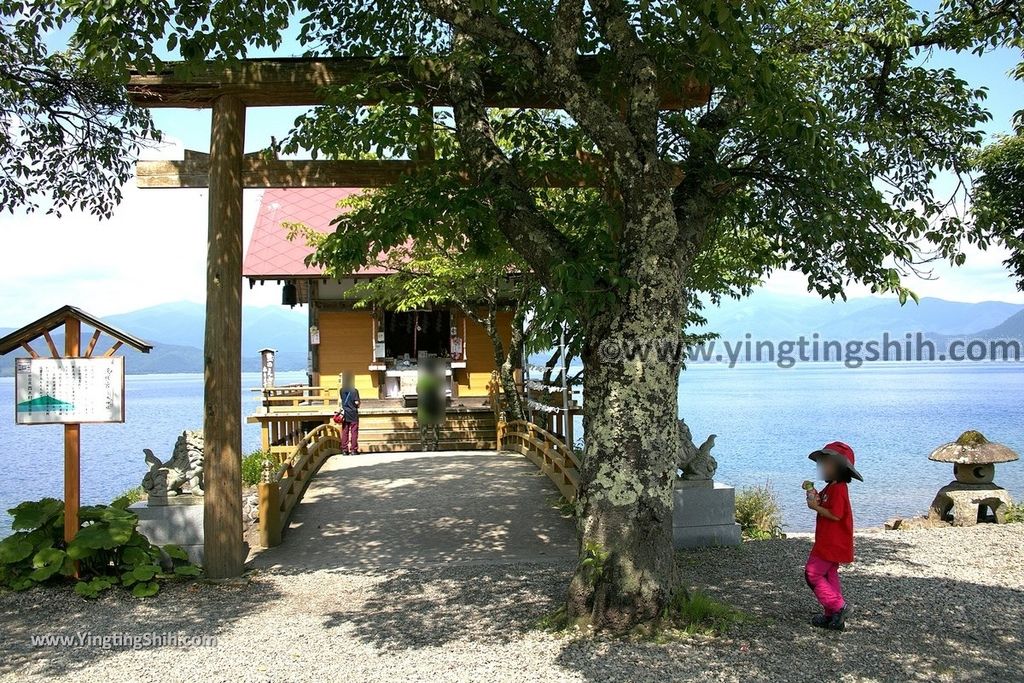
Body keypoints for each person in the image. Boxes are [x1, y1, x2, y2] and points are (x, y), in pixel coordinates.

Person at [803, 441, 862, 632]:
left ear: (839, 467)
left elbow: (836, 514)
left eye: (826, 464)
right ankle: (833, 616)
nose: (822, 468)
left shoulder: (839, 489)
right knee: (828, 574)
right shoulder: (832, 487)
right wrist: (813, 494)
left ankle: (839, 607)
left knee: (812, 573)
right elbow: (823, 502)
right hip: (828, 540)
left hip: (832, 541)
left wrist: (816, 507)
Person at [417, 356, 445, 451]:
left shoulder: (422, 380)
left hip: (424, 406)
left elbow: (418, 390)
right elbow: (441, 389)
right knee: (435, 427)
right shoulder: (437, 380)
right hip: (435, 406)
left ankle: (424, 446)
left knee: (424, 428)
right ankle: (435, 446)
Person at [338, 372, 360, 455]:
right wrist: (358, 404)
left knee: (345, 431)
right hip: (353, 412)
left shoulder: (341, 390)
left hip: (345, 413)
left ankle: (344, 449)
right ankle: (353, 449)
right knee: (354, 431)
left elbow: (342, 400)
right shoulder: (354, 391)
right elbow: (357, 402)